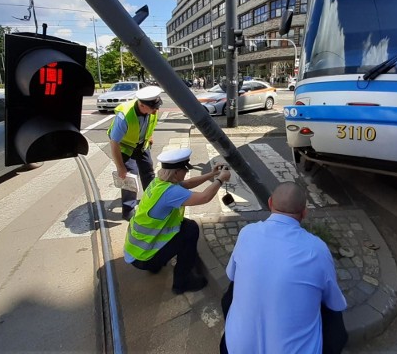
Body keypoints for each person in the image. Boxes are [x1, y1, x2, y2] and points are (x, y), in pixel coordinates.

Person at [223, 182, 347, 354]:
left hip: (234, 348)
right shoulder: (317, 249)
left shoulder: (247, 233)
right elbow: (334, 302)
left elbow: (232, 276)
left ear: (270, 203)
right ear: (304, 212)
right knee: (335, 321)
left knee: (231, 291)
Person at [123, 147, 231, 294]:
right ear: (176, 173)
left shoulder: (159, 183)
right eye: (184, 170)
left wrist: (211, 174)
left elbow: (188, 183)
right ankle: (183, 282)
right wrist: (220, 179)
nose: (186, 172)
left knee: (184, 226)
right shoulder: (170, 192)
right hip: (144, 257)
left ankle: (156, 264)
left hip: (136, 252)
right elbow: (204, 197)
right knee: (190, 229)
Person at [108, 85, 163, 220]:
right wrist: (120, 167)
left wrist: (149, 136)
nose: (156, 111)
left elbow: (149, 124)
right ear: (142, 105)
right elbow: (114, 143)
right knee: (129, 177)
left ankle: (151, 201)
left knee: (148, 172)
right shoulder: (124, 116)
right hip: (125, 147)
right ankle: (128, 211)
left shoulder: (151, 111)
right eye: (153, 108)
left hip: (142, 145)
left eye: (157, 107)